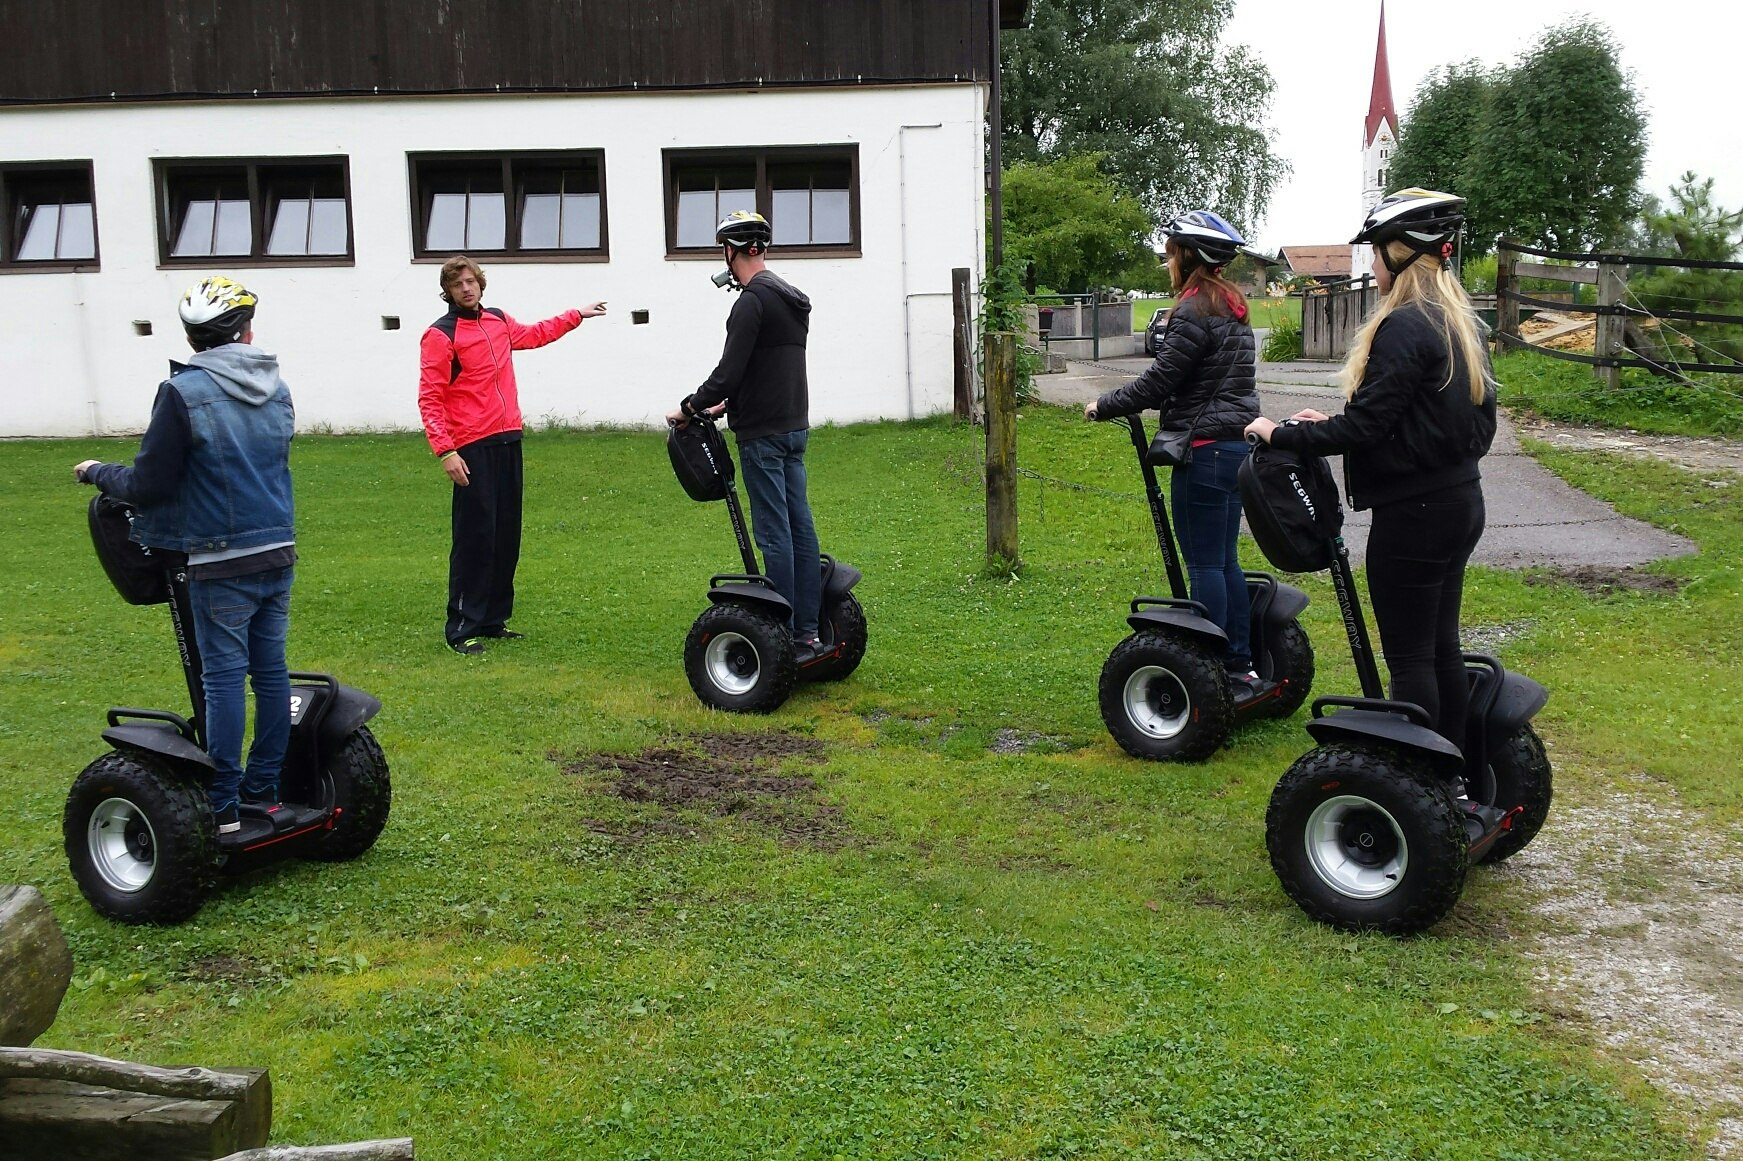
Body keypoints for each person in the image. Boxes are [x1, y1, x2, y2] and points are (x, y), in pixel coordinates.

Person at [1245, 188, 1498, 740]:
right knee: (1441, 648)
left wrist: (1280, 431)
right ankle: (1452, 773)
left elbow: (1365, 429)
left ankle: (1420, 780)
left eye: (1376, 251)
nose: (1373, 263)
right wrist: (1329, 425)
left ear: (1398, 254)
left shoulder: (1405, 324)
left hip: (1414, 518)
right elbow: (1463, 425)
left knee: (1409, 659)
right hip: (1460, 503)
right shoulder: (1459, 323)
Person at [73, 277, 296, 835]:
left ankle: (221, 807)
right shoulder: (277, 386)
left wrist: (97, 472)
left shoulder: (184, 393)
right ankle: (264, 791)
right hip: (277, 547)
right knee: (269, 674)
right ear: (245, 330)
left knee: (222, 681)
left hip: (218, 560)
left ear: (194, 338)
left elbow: (149, 483)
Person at [1084, 210, 1266, 691]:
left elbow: (1161, 379)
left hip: (1204, 452)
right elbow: (1200, 379)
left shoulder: (1192, 311)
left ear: (1188, 257)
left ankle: (1212, 670)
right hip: (1236, 449)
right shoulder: (1232, 306)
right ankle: (1240, 664)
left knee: (1205, 564)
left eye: (1170, 254)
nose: (1167, 263)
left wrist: (1104, 404)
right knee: (1225, 560)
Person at [418, 256, 607, 655]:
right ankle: (462, 626)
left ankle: (492, 619)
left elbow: (536, 333)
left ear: (481, 285)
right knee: (475, 538)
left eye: (471, 281)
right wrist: (445, 451)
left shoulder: (498, 321)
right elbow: (430, 398)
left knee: (505, 534)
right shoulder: (440, 335)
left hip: (508, 439)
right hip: (471, 446)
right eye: (458, 285)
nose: (467, 289)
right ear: (448, 292)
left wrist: (576, 315)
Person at [667, 211, 824, 661]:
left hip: (763, 437)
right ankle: (809, 630)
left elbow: (729, 372)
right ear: (763, 249)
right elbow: (767, 370)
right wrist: (727, 404)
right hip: (794, 427)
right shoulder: (791, 298)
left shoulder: (751, 302)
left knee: (774, 532)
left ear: (732, 252)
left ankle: (786, 633)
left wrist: (690, 407)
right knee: (800, 527)